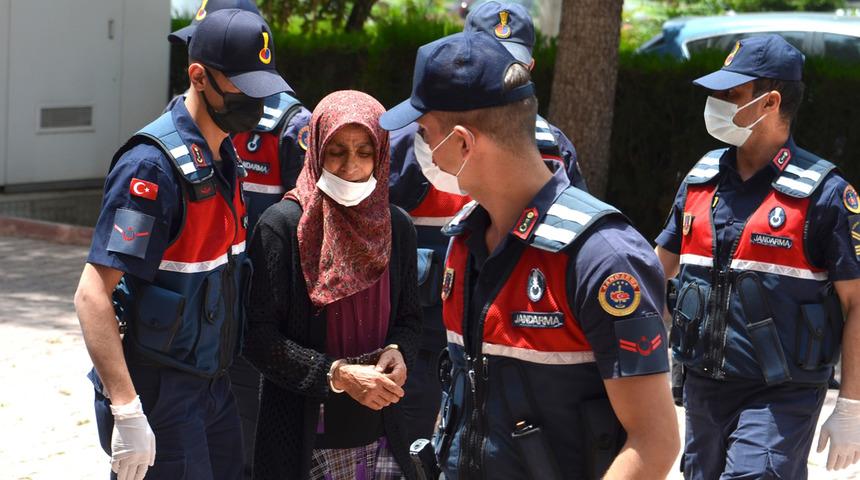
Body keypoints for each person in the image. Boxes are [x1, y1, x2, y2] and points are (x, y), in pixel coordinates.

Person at [381, 31, 679, 480]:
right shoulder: (464, 242)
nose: (419, 148)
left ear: (463, 143)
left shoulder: (601, 257)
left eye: (424, 134)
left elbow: (655, 442)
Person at [74, 9, 288, 480]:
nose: (258, 104)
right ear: (198, 76)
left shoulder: (224, 156)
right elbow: (92, 295)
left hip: (215, 386)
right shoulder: (151, 168)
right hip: (160, 391)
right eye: (244, 89)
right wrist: (127, 409)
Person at [654, 34, 860, 478]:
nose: (717, 103)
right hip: (703, 388)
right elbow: (658, 272)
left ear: (770, 103)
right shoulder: (701, 179)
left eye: (732, 94)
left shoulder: (825, 194)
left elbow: (856, 302)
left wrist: (851, 406)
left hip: (781, 395)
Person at [388, 0, 586, 445]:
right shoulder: (411, 140)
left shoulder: (552, 150)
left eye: (508, 64)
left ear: (530, 67)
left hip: (509, 334)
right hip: (420, 333)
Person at [242, 90, 421, 480]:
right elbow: (256, 336)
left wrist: (398, 350)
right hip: (304, 437)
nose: (351, 166)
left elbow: (410, 317)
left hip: (380, 431)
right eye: (336, 151)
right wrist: (336, 374)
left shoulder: (398, 228)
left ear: (382, 154)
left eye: (364, 151)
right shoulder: (282, 227)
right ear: (315, 150)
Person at [168, 3, 313, 478]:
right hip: (200, 324)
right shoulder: (189, 123)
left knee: (243, 457)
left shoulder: (290, 126)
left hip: (256, 321)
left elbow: (309, 230)